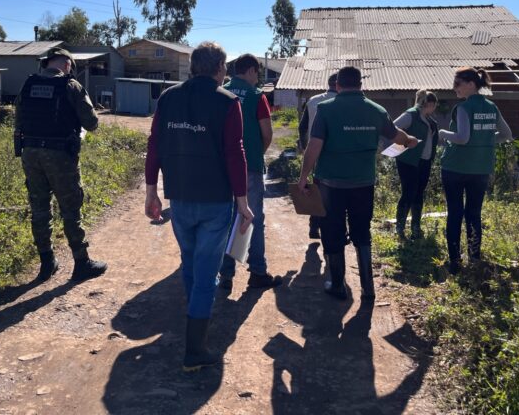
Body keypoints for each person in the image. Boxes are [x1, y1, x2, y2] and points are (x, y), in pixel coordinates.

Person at [144, 41, 254, 372]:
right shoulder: (227, 101)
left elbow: (155, 145)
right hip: (216, 203)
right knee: (207, 274)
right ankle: (195, 351)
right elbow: (236, 153)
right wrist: (244, 203)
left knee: (191, 263)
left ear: (193, 66)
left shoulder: (168, 98)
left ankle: (196, 317)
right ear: (220, 69)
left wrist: (151, 192)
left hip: (180, 199)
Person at [297, 66, 418, 300]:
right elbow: (397, 137)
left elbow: (314, 146)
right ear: (361, 85)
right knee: (362, 231)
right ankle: (368, 288)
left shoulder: (325, 109)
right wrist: (410, 140)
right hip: (363, 183)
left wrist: (303, 178)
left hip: (330, 184)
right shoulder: (377, 110)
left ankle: (338, 284)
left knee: (332, 231)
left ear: (338, 85)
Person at [14, 47, 108, 282]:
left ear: (47, 63)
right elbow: (92, 122)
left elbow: (18, 118)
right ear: (67, 64)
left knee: (40, 208)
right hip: (59, 155)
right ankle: (81, 262)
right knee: (70, 208)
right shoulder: (71, 86)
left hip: (30, 153)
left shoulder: (27, 84)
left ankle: (47, 263)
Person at [218, 54, 282, 292]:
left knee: (225, 218)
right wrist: (255, 153)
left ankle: (225, 275)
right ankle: (257, 272)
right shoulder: (258, 97)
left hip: (221, 168)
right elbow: (268, 133)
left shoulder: (220, 93)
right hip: (250, 167)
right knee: (250, 218)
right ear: (252, 71)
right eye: (257, 74)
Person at [439, 67, 512, 274]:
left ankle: (455, 261)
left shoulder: (464, 108)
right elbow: (506, 134)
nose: (455, 89)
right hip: (481, 168)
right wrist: (486, 141)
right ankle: (474, 257)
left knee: (455, 213)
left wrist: (444, 133)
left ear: (471, 84)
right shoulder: (492, 107)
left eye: (458, 84)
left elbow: (462, 138)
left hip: (455, 167)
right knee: (474, 213)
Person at [392, 90, 439, 240]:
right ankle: (399, 227)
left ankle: (416, 227)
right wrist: (406, 140)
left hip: (424, 161)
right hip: (408, 160)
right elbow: (392, 128)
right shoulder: (411, 114)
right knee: (409, 192)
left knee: (419, 192)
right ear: (430, 104)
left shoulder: (429, 120)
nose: (434, 109)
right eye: (434, 106)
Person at [298, 72, 338, 239]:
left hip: (314, 152)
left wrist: (304, 146)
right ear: (338, 84)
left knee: (316, 189)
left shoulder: (313, 101)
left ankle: (314, 227)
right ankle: (333, 226)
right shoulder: (342, 102)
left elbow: (302, 127)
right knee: (335, 191)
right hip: (336, 154)